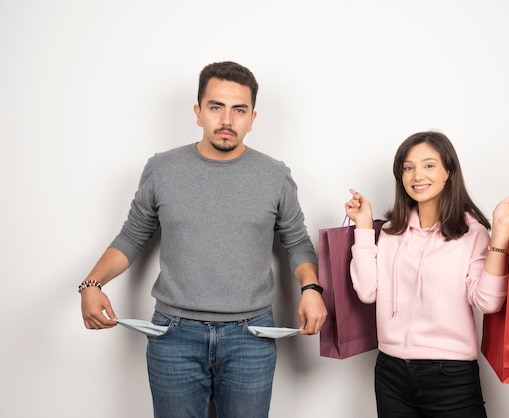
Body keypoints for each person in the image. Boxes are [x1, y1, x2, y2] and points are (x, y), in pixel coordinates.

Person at [79, 61, 327, 418]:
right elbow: (133, 235)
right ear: (198, 113)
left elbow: (296, 242)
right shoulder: (162, 169)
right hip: (173, 336)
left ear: (253, 118)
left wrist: (311, 290)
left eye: (238, 110)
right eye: (216, 107)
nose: (227, 120)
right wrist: (91, 283)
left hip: (252, 337)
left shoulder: (274, 175)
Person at [344, 131, 509, 418]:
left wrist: (501, 228)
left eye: (429, 165)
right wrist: (362, 227)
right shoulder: (391, 231)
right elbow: (368, 291)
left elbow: (488, 302)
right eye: (408, 167)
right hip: (390, 371)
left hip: (450, 374)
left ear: (449, 171)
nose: (417, 175)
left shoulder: (472, 233)